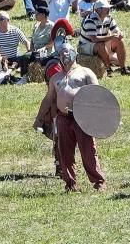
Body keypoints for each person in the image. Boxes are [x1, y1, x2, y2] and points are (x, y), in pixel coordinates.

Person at [38, 42, 108, 192]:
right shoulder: (56, 78)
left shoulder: (86, 73)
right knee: (65, 152)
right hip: (63, 117)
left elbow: (98, 94)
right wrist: (39, 118)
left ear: (74, 53)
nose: (64, 55)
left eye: (67, 51)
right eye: (61, 53)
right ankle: (70, 184)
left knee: (88, 150)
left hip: (82, 116)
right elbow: (48, 99)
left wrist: (100, 115)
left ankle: (99, 182)